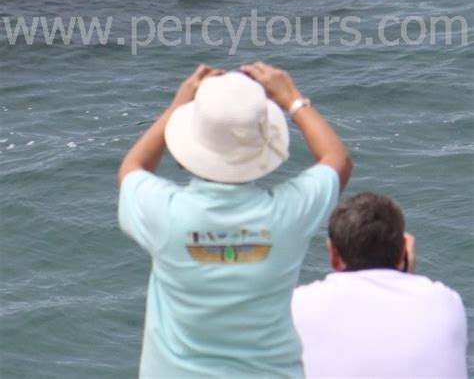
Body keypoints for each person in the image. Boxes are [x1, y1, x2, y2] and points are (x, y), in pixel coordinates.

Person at [117, 61, 352, 378]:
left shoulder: (166, 213)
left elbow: (132, 169)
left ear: (189, 143)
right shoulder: (287, 215)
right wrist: (292, 98)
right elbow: (337, 160)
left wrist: (178, 104)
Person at [291, 192, 468, 378]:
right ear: (403, 252)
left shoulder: (297, 306)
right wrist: (406, 272)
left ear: (334, 255)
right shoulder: (447, 302)